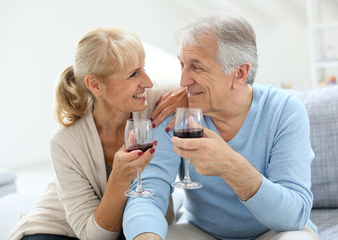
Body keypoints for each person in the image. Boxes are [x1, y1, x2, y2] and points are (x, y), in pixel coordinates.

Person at [123, 12, 319, 240]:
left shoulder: (284, 111)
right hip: (201, 232)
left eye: (196, 67)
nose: (184, 81)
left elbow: (292, 217)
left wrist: (231, 166)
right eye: (182, 65)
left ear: (239, 74)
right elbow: (148, 192)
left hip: (273, 233)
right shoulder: (176, 113)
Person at [7, 27, 187, 240]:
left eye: (143, 67)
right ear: (95, 84)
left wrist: (187, 95)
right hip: (60, 228)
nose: (147, 81)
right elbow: (94, 236)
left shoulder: (156, 98)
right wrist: (120, 177)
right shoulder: (65, 142)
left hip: (122, 225)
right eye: (133, 74)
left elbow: (207, 86)